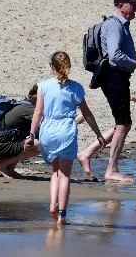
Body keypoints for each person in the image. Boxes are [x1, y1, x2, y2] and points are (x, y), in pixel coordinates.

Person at [26, 52, 104, 225]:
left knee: (55, 172)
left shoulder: (43, 86)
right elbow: (87, 114)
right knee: (65, 175)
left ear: (51, 67)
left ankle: (53, 204)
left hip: (47, 132)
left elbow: (38, 113)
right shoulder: (75, 87)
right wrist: (98, 134)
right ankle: (61, 215)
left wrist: (32, 135)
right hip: (66, 132)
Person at [98, 0, 136, 183]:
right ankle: (111, 170)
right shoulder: (114, 25)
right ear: (121, 5)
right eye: (132, 4)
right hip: (113, 77)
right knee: (123, 123)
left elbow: (119, 54)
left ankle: (87, 154)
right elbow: (114, 56)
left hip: (118, 76)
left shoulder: (122, 25)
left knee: (122, 123)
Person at [0, 85, 40, 179]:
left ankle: (9, 168)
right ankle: (2, 165)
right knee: (39, 145)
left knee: (30, 139)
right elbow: (45, 125)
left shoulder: (22, 105)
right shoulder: (28, 109)